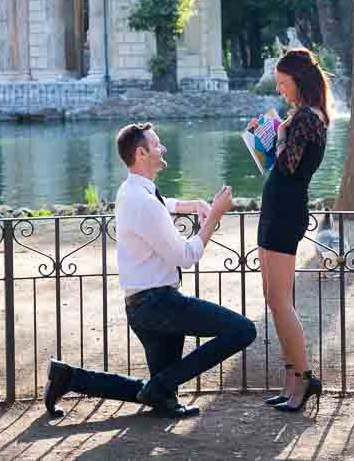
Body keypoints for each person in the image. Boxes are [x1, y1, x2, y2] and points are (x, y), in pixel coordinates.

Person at [43, 122, 256, 418]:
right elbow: (186, 255)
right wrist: (214, 217)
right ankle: (160, 386)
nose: (163, 148)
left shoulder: (131, 190)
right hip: (159, 305)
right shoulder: (144, 202)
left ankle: (69, 377)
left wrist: (191, 204)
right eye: (157, 145)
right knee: (243, 330)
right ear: (141, 153)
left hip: (143, 306)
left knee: (160, 394)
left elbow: (161, 204)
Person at [247, 48, 330, 412]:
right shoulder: (299, 117)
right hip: (275, 207)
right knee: (274, 299)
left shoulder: (308, 118)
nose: (280, 90)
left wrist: (276, 133)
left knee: (281, 301)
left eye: (283, 83)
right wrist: (267, 136)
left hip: (285, 211)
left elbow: (288, 165)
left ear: (300, 80)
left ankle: (305, 380)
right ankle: (290, 381)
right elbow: (278, 168)